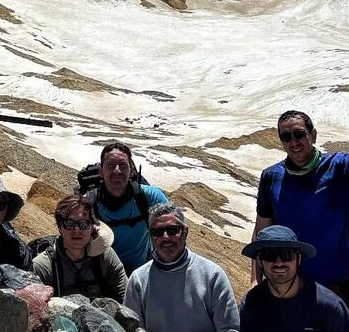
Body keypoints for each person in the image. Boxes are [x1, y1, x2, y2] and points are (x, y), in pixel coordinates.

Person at [252, 110, 349, 299]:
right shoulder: (271, 177)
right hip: (293, 289)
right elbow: (260, 234)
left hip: (341, 284)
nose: (293, 142)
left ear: (313, 135)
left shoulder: (340, 167)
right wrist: (255, 281)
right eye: (286, 137)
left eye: (299, 134)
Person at [123, 203, 239, 332]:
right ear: (150, 236)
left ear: (185, 232)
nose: (165, 237)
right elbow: (132, 327)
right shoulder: (138, 279)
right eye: (157, 232)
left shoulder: (213, 275)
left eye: (172, 230)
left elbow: (229, 328)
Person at [240, 225, 349, 332]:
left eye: (286, 255)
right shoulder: (250, 304)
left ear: (299, 259)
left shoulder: (330, 307)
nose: (279, 263)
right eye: (270, 255)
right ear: (259, 261)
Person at [84, 141, 167, 274]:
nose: (117, 170)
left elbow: (173, 230)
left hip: (143, 274)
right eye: (111, 165)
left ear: (131, 170)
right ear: (101, 171)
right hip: (104, 277)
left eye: (123, 165)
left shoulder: (150, 197)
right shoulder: (88, 204)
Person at [32, 194, 127, 301]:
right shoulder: (43, 266)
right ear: (60, 228)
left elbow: (126, 297)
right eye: (69, 224)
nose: (76, 230)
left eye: (83, 224)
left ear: (92, 227)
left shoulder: (105, 256)